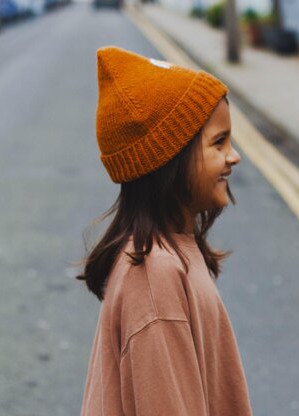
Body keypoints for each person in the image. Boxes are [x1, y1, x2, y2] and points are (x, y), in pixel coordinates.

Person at [77, 45, 253, 416]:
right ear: (168, 159)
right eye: (218, 142)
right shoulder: (155, 277)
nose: (233, 155)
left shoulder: (169, 255)